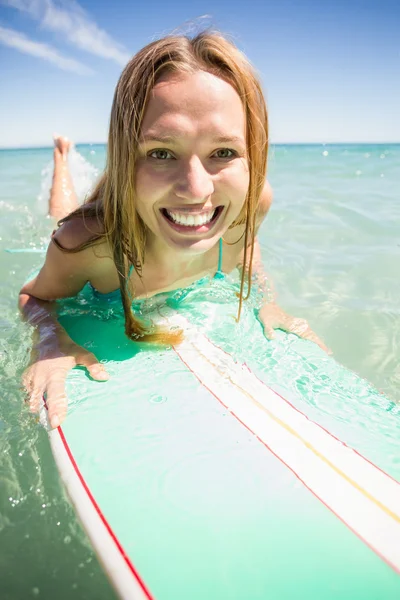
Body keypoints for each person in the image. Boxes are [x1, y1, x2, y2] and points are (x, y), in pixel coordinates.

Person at [19, 32, 328, 429]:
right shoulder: (88, 244)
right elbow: (34, 297)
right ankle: (63, 155)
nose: (197, 189)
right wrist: (48, 341)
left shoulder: (251, 203)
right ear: (126, 157)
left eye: (224, 152)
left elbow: (246, 241)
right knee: (61, 216)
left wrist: (264, 298)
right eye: (162, 153)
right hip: (102, 223)